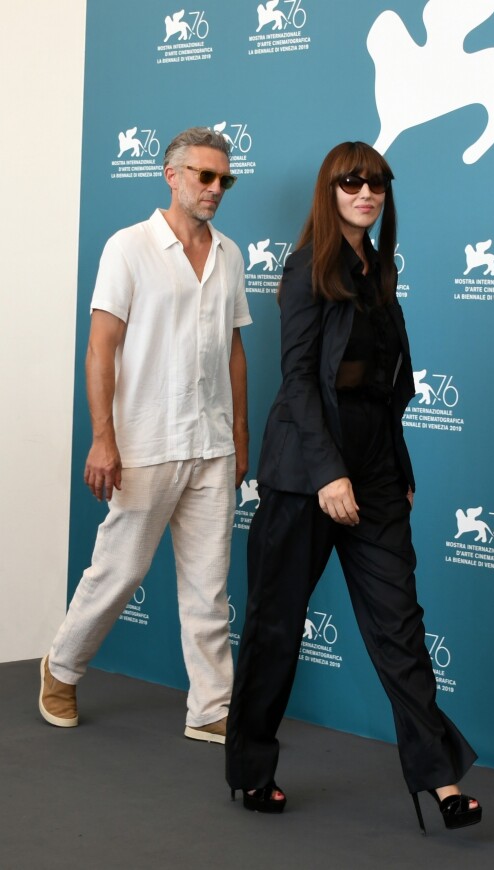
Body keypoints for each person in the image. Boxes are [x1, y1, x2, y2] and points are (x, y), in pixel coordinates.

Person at [225, 141, 482, 832]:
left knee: (400, 624)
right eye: (351, 182)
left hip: (373, 469)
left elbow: (386, 387)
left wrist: (395, 471)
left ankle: (440, 779)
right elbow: (300, 379)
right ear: (330, 191)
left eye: (377, 183)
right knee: (275, 629)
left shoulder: (379, 269)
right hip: (305, 470)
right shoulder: (310, 267)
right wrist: (327, 473)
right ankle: (251, 772)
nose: (366, 193)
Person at [39, 127, 252, 745]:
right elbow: (101, 349)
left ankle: (211, 705)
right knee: (119, 570)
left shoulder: (230, 255)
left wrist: (239, 432)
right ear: (173, 174)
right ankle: (63, 666)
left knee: (209, 585)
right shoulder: (128, 248)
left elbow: (234, 350)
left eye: (224, 179)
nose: (215, 188)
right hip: (144, 442)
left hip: (212, 445)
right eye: (205, 176)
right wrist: (103, 438)